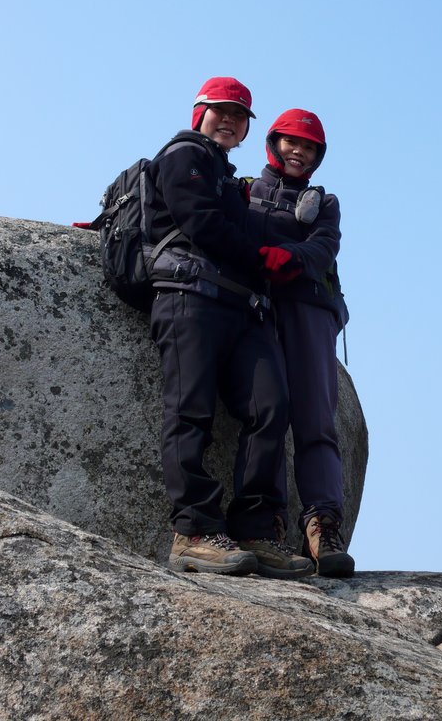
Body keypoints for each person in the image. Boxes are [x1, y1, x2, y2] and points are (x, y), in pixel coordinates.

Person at [147, 78, 314, 579]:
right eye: (220, 111)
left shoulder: (227, 176)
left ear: (246, 131)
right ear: (199, 112)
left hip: (242, 308)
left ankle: (255, 530)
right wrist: (260, 255)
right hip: (189, 296)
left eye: (238, 116)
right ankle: (194, 531)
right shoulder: (184, 155)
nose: (228, 120)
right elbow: (199, 222)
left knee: (271, 407)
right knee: (190, 409)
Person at [247, 108, 355, 577]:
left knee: (315, 419)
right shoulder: (244, 189)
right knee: (264, 415)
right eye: (291, 141)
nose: (298, 150)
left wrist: (287, 257)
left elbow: (323, 246)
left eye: (308, 146)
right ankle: (267, 530)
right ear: (273, 143)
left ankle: (322, 527)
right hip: (256, 307)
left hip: (309, 307)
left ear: (318, 156)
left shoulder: (323, 201)